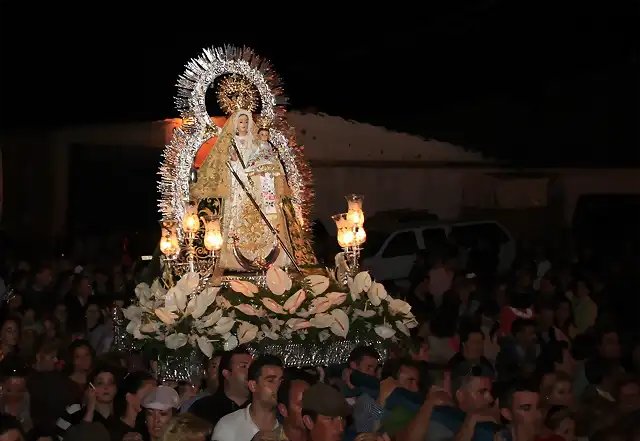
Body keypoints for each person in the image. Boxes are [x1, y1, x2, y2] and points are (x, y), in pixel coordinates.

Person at [190, 109, 314, 272]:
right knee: (240, 220)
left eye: (246, 122)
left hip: (257, 186)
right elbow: (227, 167)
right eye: (241, 122)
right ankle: (236, 259)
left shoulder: (257, 142)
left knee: (264, 221)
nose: (244, 125)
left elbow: (265, 160)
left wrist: (265, 171)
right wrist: (234, 162)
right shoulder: (231, 142)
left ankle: (269, 257)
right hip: (239, 187)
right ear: (235, 124)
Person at [211, 355, 283, 441]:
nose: (279, 386)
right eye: (271, 381)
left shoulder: (288, 428)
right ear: (253, 386)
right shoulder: (228, 426)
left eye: (281, 381)